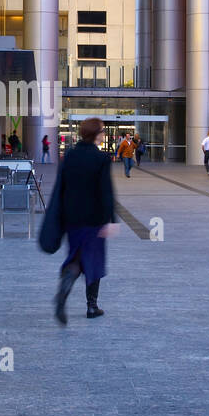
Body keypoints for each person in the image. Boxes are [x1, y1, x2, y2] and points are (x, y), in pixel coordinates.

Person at [43, 117, 118, 323]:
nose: (103, 134)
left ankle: (65, 287)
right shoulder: (101, 159)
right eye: (101, 131)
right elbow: (106, 191)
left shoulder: (70, 156)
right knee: (93, 261)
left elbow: (62, 187)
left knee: (76, 257)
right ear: (95, 134)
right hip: (94, 219)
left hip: (72, 218)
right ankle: (92, 306)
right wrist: (110, 219)